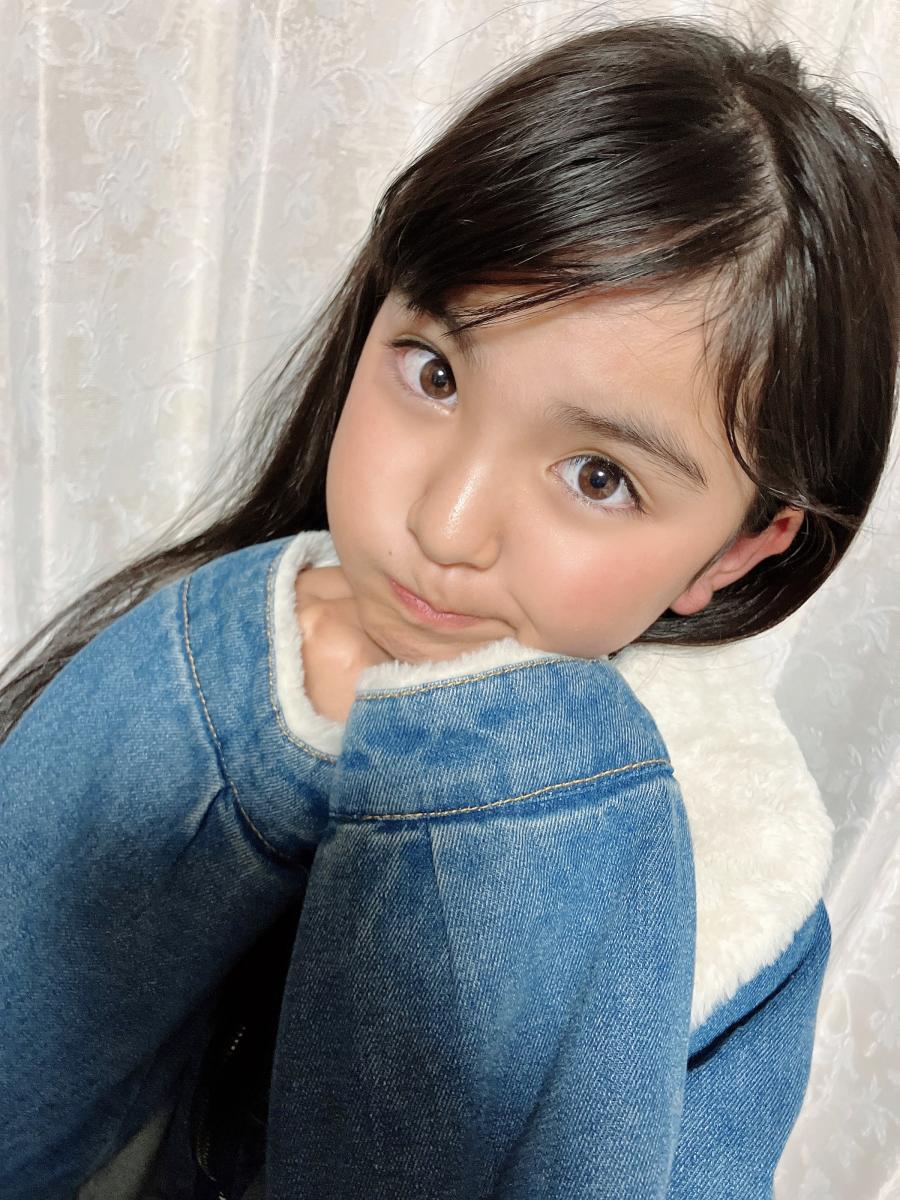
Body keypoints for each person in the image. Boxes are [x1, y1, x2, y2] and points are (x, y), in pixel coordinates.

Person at [1, 16, 897, 1200]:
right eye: (434, 373)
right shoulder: (197, 670)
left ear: (735, 552)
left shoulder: (737, 900)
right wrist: (224, 724)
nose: (446, 525)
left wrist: (501, 803)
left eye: (598, 477)